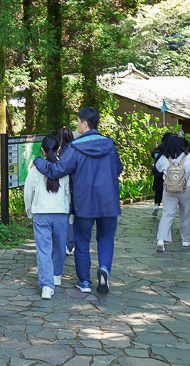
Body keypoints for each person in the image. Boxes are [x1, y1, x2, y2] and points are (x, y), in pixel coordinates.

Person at [33, 107, 122, 294]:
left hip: (84, 203)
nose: (77, 125)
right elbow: (118, 169)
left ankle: (84, 282)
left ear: (85, 123)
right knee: (106, 238)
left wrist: (38, 161)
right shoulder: (109, 145)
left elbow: (57, 170)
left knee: (82, 242)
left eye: (78, 122)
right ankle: (104, 269)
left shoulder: (75, 148)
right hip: (109, 202)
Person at [25, 135, 71, 299]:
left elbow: (28, 193)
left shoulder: (34, 170)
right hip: (60, 213)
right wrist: (69, 213)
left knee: (43, 250)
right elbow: (68, 193)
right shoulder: (63, 169)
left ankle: (46, 286)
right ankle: (56, 275)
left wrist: (29, 210)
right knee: (59, 246)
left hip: (40, 213)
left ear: (42, 150)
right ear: (58, 149)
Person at [154, 135, 190, 252]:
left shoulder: (163, 158)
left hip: (169, 189)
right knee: (186, 215)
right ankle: (186, 240)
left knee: (167, 214)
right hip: (186, 188)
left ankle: (161, 240)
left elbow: (158, 168)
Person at [57, 127, 76, 255]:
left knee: (62, 218)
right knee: (71, 220)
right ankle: (69, 245)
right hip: (73, 190)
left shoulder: (56, 152)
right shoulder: (74, 151)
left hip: (59, 191)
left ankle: (61, 244)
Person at [150, 132, 172, 216]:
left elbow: (153, 156)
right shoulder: (171, 149)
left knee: (158, 190)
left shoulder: (157, 149)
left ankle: (156, 205)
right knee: (167, 191)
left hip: (158, 172)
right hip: (168, 172)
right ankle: (166, 208)